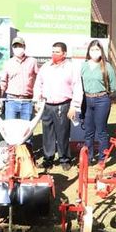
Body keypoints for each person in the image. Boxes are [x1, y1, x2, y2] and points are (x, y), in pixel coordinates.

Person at [33, 42, 83, 171]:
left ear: (64, 54)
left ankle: (64, 159)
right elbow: (38, 84)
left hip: (63, 105)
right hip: (47, 105)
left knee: (63, 133)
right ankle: (48, 159)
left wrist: (74, 106)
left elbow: (77, 87)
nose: (54, 54)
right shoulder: (45, 67)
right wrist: (37, 101)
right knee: (47, 134)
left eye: (57, 52)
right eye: (53, 51)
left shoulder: (71, 68)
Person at [81, 40, 116, 164]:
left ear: (101, 51)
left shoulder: (107, 66)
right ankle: (89, 156)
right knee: (88, 130)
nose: (94, 52)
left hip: (102, 100)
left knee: (101, 130)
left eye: (97, 50)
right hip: (87, 100)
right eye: (92, 50)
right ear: (88, 51)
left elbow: (113, 86)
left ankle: (102, 158)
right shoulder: (84, 65)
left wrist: (102, 95)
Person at [0, 36, 39, 120]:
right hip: (11, 101)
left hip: (27, 101)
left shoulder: (32, 61)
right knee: (10, 128)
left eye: (20, 46)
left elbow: (38, 80)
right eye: (15, 46)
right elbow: (3, 82)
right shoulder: (8, 63)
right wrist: (0, 98)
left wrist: (37, 99)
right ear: (12, 48)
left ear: (24, 47)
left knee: (27, 129)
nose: (18, 48)